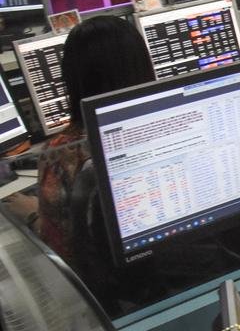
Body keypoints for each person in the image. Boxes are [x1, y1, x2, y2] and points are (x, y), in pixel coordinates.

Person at [6, 17, 155, 266]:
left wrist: (33, 214)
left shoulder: (62, 152)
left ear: (72, 79)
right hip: (168, 268)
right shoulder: (169, 123)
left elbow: (66, 246)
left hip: (109, 280)